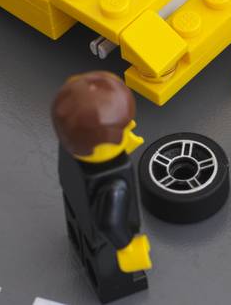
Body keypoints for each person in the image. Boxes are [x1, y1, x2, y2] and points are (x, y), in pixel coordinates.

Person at [52, 72, 152, 303]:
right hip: (107, 241)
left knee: (82, 239)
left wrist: (121, 145)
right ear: (105, 141)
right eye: (124, 128)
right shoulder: (113, 182)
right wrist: (127, 247)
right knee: (111, 268)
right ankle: (118, 287)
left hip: (77, 208)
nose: (130, 127)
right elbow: (110, 222)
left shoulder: (70, 147)